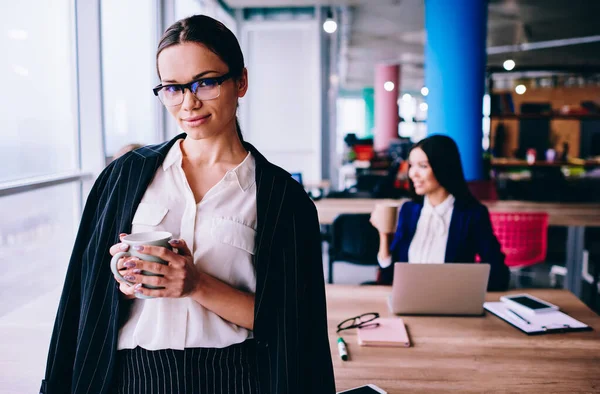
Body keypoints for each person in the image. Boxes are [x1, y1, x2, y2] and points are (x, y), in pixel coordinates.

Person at [40, 15, 335, 394]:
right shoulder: (125, 176)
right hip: (134, 376)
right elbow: (82, 298)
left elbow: (295, 324)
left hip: (238, 376)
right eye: (173, 88)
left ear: (240, 82)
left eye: (206, 82)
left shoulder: (283, 198)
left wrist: (196, 284)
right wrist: (124, 279)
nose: (189, 102)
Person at [370, 134, 510, 291]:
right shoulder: (409, 211)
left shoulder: (472, 214)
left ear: (443, 167)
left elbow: (499, 277)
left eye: (422, 166)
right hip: (409, 303)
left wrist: (463, 289)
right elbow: (390, 275)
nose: (412, 174)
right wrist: (384, 234)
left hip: (452, 304)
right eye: (411, 165)